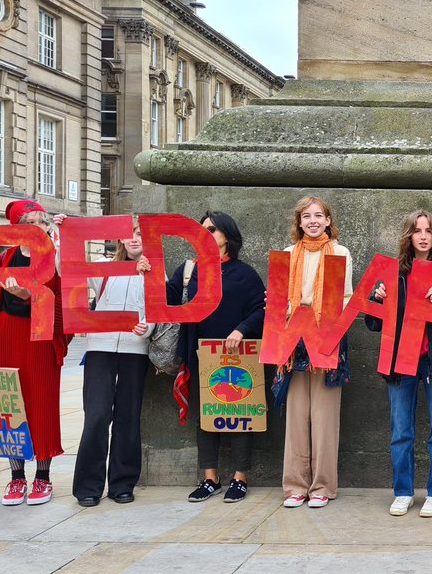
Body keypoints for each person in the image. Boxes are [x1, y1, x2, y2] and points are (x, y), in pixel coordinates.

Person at [367, 210, 432, 518]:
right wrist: (378, 299)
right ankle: (403, 491)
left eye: (428, 230)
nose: (423, 236)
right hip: (400, 362)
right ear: (408, 236)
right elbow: (372, 323)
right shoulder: (394, 275)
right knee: (401, 432)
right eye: (417, 230)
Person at [0, 200, 71, 505]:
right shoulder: (3, 259)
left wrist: (31, 296)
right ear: (16, 229)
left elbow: (68, 301)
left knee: (41, 405)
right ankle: (16, 477)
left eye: (42, 222)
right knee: (8, 406)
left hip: (40, 339)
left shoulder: (56, 257)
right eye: (30, 222)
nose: (37, 228)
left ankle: (43, 476)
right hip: (5, 336)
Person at [167, 211, 266, 504]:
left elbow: (262, 309)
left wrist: (241, 329)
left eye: (211, 229)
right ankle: (210, 478)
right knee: (206, 415)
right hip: (201, 355)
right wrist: (148, 274)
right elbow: (167, 299)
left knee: (241, 415)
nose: (205, 234)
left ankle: (240, 478)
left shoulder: (245, 273)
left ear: (227, 234)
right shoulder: (189, 270)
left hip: (239, 355)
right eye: (201, 229)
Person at [275, 196, 351, 509]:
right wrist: (287, 309)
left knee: (324, 417)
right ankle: (295, 486)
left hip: (326, 338)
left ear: (328, 220)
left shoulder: (340, 253)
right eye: (306, 216)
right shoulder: (288, 253)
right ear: (299, 222)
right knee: (296, 416)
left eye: (319, 215)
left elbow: (345, 297)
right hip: (293, 340)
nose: (313, 221)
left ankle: (322, 486)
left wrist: (322, 321)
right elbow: (279, 299)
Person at [71, 220, 154, 507]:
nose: (134, 239)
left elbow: (157, 308)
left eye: (140, 234)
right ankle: (88, 486)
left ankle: (122, 484)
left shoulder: (155, 270)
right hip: (100, 348)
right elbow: (69, 272)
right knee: (96, 416)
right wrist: (63, 238)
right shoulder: (103, 266)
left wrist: (147, 328)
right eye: (130, 234)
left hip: (135, 350)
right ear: (120, 240)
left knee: (128, 417)